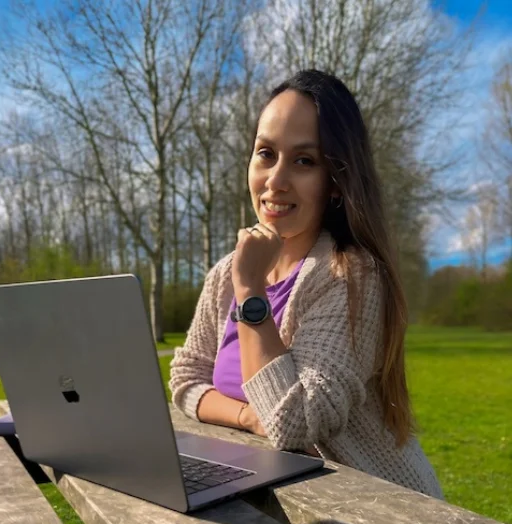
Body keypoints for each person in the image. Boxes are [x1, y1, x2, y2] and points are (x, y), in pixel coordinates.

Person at [169, 69, 443, 499]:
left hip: (379, 518)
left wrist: (251, 293)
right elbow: (186, 379)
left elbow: (293, 421)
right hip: (265, 498)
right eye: (265, 153)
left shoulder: (352, 276)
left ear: (335, 182)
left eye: (304, 160)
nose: (275, 180)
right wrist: (246, 417)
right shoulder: (226, 273)